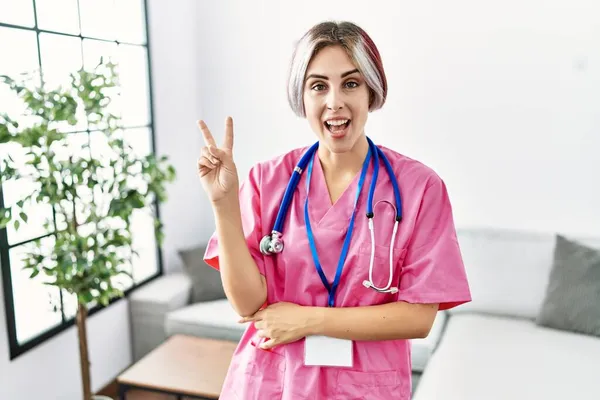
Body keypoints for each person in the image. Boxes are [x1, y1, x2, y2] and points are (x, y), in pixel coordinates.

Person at [197, 20, 471, 400]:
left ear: (372, 90)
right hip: (273, 382)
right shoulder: (267, 180)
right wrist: (223, 204)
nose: (334, 102)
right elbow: (247, 303)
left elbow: (419, 317)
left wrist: (308, 320)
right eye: (318, 86)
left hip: (364, 388)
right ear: (302, 96)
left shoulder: (420, 187)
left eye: (351, 83)